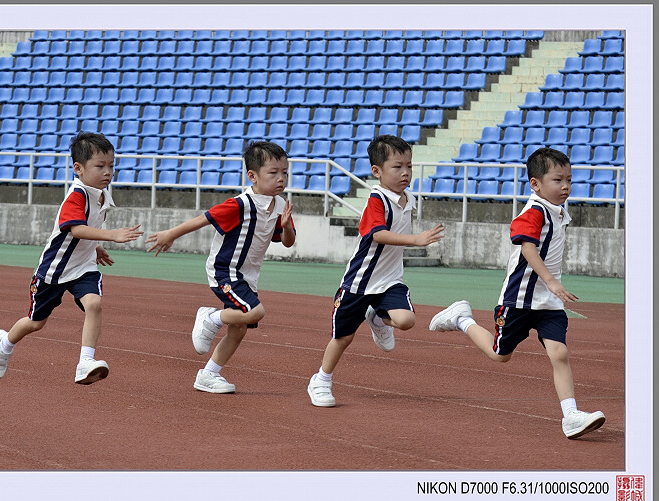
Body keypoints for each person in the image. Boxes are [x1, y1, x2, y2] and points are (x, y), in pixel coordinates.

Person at [428, 147, 605, 439]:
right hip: (519, 299)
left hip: (549, 303)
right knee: (500, 355)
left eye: (569, 180)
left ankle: (571, 415)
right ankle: (462, 318)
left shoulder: (559, 211)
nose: (566, 186)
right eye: (558, 180)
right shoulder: (534, 211)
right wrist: (551, 281)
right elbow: (527, 248)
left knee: (559, 352)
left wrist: (551, 288)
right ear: (535, 184)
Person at [0, 132, 143, 384]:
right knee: (36, 323)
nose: (108, 172)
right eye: (100, 166)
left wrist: (96, 246)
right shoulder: (77, 195)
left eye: (112, 166)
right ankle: (4, 344)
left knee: (93, 304)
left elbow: (86, 230)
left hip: (82, 267)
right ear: (78, 168)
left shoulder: (102, 193)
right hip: (54, 270)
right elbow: (75, 229)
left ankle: (85, 362)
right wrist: (112, 235)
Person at [146, 141, 296, 393]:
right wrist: (171, 233)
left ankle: (208, 375)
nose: (281, 178)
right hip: (225, 270)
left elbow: (288, 242)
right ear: (253, 176)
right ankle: (210, 317)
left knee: (238, 329)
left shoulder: (281, 205)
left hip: (248, 276)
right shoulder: (240, 204)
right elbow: (204, 219)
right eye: (273, 172)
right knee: (255, 312)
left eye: (285, 172)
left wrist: (287, 226)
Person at [307, 135, 444, 407]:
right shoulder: (376, 200)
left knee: (406, 320)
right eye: (397, 167)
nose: (405, 172)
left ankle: (378, 318)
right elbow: (378, 235)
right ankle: (321, 379)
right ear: (377, 171)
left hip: (390, 280)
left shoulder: (408, 199)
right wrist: (416, 240)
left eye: (409, 166)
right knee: (343, 337)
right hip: (361, 281)